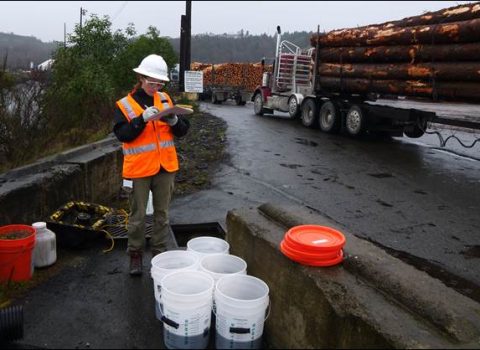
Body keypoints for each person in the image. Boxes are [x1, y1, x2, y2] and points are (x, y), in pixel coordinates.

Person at [113, 54, 190, 276]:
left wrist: (175, 121)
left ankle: (159, 253)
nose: (155, 87)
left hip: (165, 167)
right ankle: (135, 255)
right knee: (137, 217)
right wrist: (141, 120)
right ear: (141, 78)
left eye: (159, 83)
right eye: (151, 82)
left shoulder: (165, 99)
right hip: (139, 170)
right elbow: (123, 135)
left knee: (162, 214)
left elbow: (183, 131)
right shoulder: (125, 105)